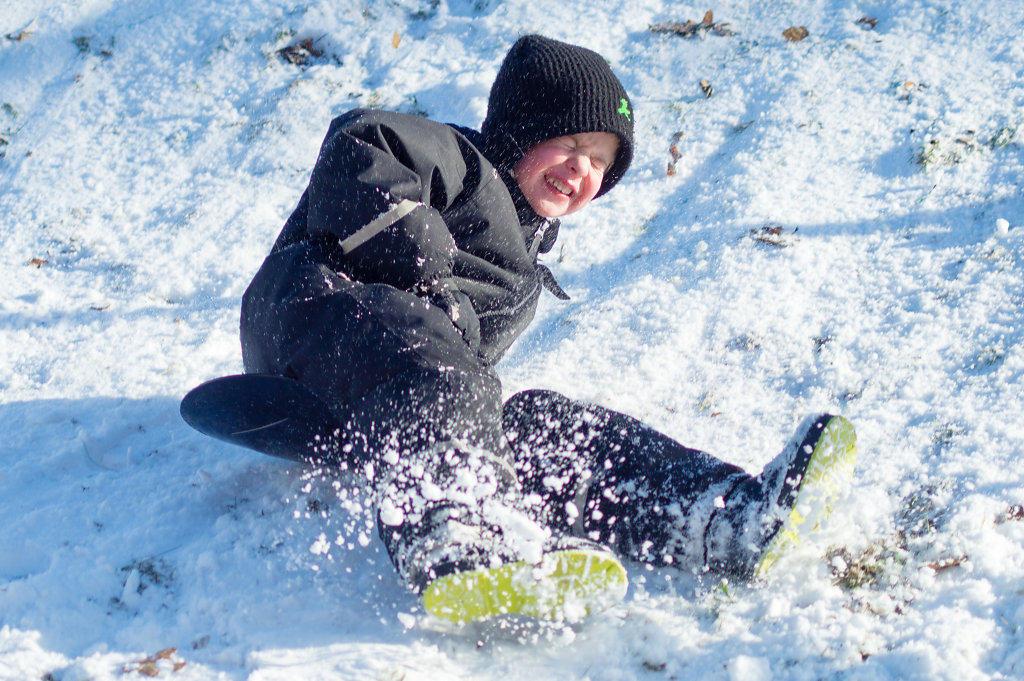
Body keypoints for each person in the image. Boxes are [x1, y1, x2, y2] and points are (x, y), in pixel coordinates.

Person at [237, 35, 856, 623]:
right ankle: (452, 529)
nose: (582, 169)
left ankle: (726, 518)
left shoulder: (522, 268)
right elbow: (361, 140)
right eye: (570, 143)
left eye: (600, 162)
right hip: (318, 312)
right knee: (444, 371)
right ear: (522, 129)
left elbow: (459, 372)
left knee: (537, 425)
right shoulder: (465, 162)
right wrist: (424, 269)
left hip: (389, 401)